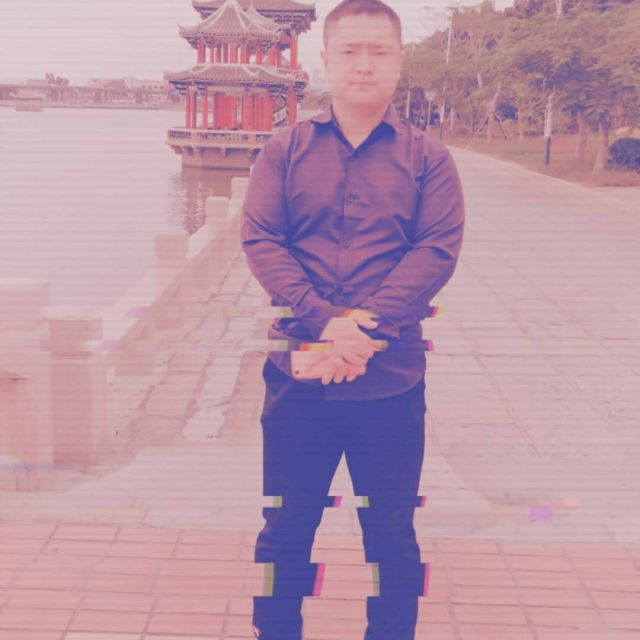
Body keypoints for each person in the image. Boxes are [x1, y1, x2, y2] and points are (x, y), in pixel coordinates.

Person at [241, 0, 465, 637]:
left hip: (391, 379)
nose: (363, 64)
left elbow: (435, 251)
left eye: (378, 51)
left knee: (391, 532)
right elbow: (262, 240)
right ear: (326, 60)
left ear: (398, 61)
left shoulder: (429, 159)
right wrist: (325, 323)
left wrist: (360, 329)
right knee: (285, 526)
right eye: (349, 51)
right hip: (298, 375)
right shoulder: (284, 150)